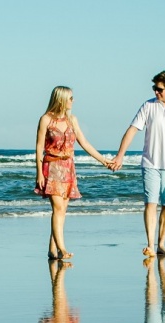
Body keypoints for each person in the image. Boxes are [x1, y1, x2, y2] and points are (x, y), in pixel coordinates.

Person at [108, 71, 165, 257]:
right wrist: (120, 155)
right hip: (150, 162)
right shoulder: (148, 106)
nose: (156, 92)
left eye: (159, 89)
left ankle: (161, 244)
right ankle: (150, 244)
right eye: (154, 89)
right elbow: (132, 130)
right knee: (151, 203)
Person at [34, 85, 113, 259]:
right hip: (52, 167)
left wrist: (104, 160)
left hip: (68, 168)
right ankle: (62, 249)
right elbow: (39, 147)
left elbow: (84, 143)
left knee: (62, 212)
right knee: (58, 209)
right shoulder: (46, 119)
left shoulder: (72, 120)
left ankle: (52, 250)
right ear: (61, 99)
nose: (73, 101)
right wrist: (39, 172)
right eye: (70, 98)